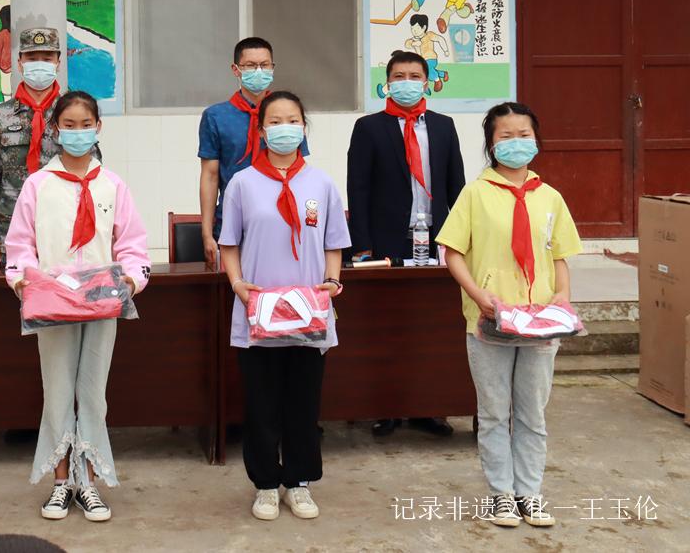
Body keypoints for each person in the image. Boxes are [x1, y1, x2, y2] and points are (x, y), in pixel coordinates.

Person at [4, 91, 150, 523]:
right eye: (69, 125)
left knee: (92, 393)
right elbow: (20, 244)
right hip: (53, 305)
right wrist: (23, 281)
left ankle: (88, 481)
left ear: (98, 128)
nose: (78, 132)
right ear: (55, 129)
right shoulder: (38, 185)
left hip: (101, 304)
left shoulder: (112, 185)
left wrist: (130, 280)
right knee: (57, 391)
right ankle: (59, 481)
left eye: (86, 124)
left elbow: (132, 244)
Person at [436, 102, 581, 528]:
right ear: (491, 143)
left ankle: (530, 494)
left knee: (533, 414)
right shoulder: (475, 194)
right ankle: (501, 494)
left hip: (540, 322)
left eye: (524, 135)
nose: (516, 143)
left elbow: (559, 256)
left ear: (536, 140)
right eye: (506, 136)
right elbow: (453, 252)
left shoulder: (550, 197)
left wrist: (563, 297)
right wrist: (477, 294)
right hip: (490, 321)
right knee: (495, 412)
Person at [218, 91, 350, 522]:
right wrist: (238, 284)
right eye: (275, 121)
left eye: (293, 120)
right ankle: (265, 485)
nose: (284, 128)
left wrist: (332, 281)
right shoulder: (241, 183)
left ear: (304, 128)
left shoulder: (321, 183)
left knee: (303, 404)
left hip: (309, 313)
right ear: (261, 131)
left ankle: (299, 481)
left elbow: (333, 243)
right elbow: (229, 244)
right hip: (258, 312)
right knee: (261, 406)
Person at [348, 50, 465, 438]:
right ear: (387, 83)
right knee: (387, 327)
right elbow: (358, 190)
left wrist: (463, 239)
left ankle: (428, 407)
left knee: (431, 327)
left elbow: (457, 187)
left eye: (415, 75)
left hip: (435, 240)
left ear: (427, 82)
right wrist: (362, 245)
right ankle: (386, 407)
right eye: (399, 76)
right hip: (386, 242)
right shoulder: (369, 128)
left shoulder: (444, 126)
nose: (407, 82)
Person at [0, 27, 96, 267]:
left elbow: (92, 173)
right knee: (18, 287)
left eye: (47, 58)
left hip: (64, 227)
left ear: (58, 63)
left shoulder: (75, 112)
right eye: (31, 58)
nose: (39, 64)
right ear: (19, 63)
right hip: (12, 230)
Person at [198, 37, 310, 270]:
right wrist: (207, 232)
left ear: (272, 68)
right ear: (236, 70)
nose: (259, 71)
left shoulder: (287, 114)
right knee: (236, 286)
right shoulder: (216, 116)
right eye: (250, 65)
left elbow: (300, 170)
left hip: (282, 219)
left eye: (265, 65)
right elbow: (210, 176)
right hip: (232, 221)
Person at [402, 15, 450, 93]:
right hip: (421, 61)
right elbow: (407, 44)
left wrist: (446, 50)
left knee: (427, 70)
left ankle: (437, 80)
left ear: (424, 27)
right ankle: (443, 74)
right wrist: (413, 44)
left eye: (417, 28)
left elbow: (440, 39)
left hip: (431, 58)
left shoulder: (429, 35)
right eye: (412, 28)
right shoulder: (413, 39)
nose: (414, 31)